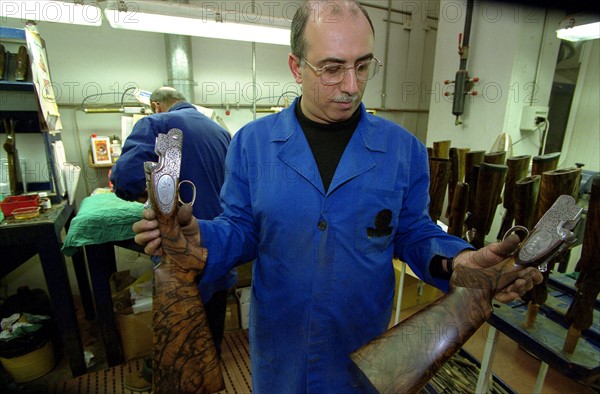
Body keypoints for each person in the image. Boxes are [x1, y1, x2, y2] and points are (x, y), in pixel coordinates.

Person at [132, 2, 542, 393]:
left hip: (362, 351)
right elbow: (241, 229)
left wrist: (457, 261)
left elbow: (413, 233)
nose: (351, 85)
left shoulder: (404, 151)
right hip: (281, 349)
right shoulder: (251, 145)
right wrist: (198, 240)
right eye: (332, 68)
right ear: (296, 67)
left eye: (363, 65)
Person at [110, 87, 236, 390]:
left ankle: (171, 376)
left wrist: (148, 195)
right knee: (210, 327)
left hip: (179, 242)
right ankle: (205, 373)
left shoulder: (159, 125)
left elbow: (126, 177)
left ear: (156, 106)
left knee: (177, 326)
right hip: (221, 243)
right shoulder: (221, 131)